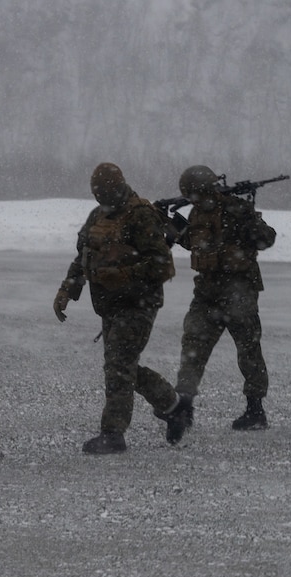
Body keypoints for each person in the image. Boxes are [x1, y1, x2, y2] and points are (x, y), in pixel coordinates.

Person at [53, 162, 192, 454]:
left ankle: (113, 434)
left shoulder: (141, 215)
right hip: (109, 304)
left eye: (107, 191)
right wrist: (67, 290)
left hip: (138, 304)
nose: (102, 198)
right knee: (122, 367)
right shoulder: (98, 216)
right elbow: (83, 257)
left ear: (119, 186)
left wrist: (125, 274)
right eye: (98, 194)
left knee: (118, 367)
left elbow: (162, 265)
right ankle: (173, 406)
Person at [171, 165, 278, 430]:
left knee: (248, 350)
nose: (193, 200)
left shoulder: (237, 209)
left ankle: (255, 409)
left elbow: (267, 238)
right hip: (207, 292)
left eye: (195, 194)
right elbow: (196, 244)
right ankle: (184, 404)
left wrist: (250, 226)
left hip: (239, 291)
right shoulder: (197, 213)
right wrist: (174, 229)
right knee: (193, 346)